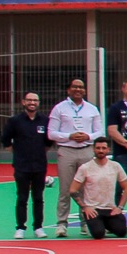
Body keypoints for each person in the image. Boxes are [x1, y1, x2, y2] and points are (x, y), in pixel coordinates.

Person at [47, 78, 100, 236]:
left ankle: (86, 222)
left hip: (86, 150)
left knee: (87, 189)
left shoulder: (92, 109)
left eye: (81, 87)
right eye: (75, 87)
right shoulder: (59, 108)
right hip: (67, 151)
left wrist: (87, 136)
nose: (78, 89)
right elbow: (51, 133)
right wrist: (69, 136)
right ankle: (62, 224)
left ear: (84, 90)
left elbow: (100, 132)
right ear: (68, 90)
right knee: (65, 190)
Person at [1, 90, 51, 238]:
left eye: (35, 100)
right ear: (23, 102)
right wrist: (18, 153)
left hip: (39, 166)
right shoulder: (15, 121)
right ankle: (20, 228)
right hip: (21, 166)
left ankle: (38, 227)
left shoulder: (45, 120)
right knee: (22, 198)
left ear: (38, 103)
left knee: (38, 198)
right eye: (29, 100)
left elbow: (48, 142)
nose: (32, 103)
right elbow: (5, 139)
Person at [70, 138, 127, 239]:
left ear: (108, 149)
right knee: (98, 234)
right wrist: (85, 207)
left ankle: (104, 224)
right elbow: (72, 190)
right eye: (98, 148)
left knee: (121, 232)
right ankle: (95, 225)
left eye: (103, 148)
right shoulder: (85, 168)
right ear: (93, 149)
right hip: (93, 209)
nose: (101, 150)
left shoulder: (115, 166)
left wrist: (120, 207)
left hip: (110, 209)